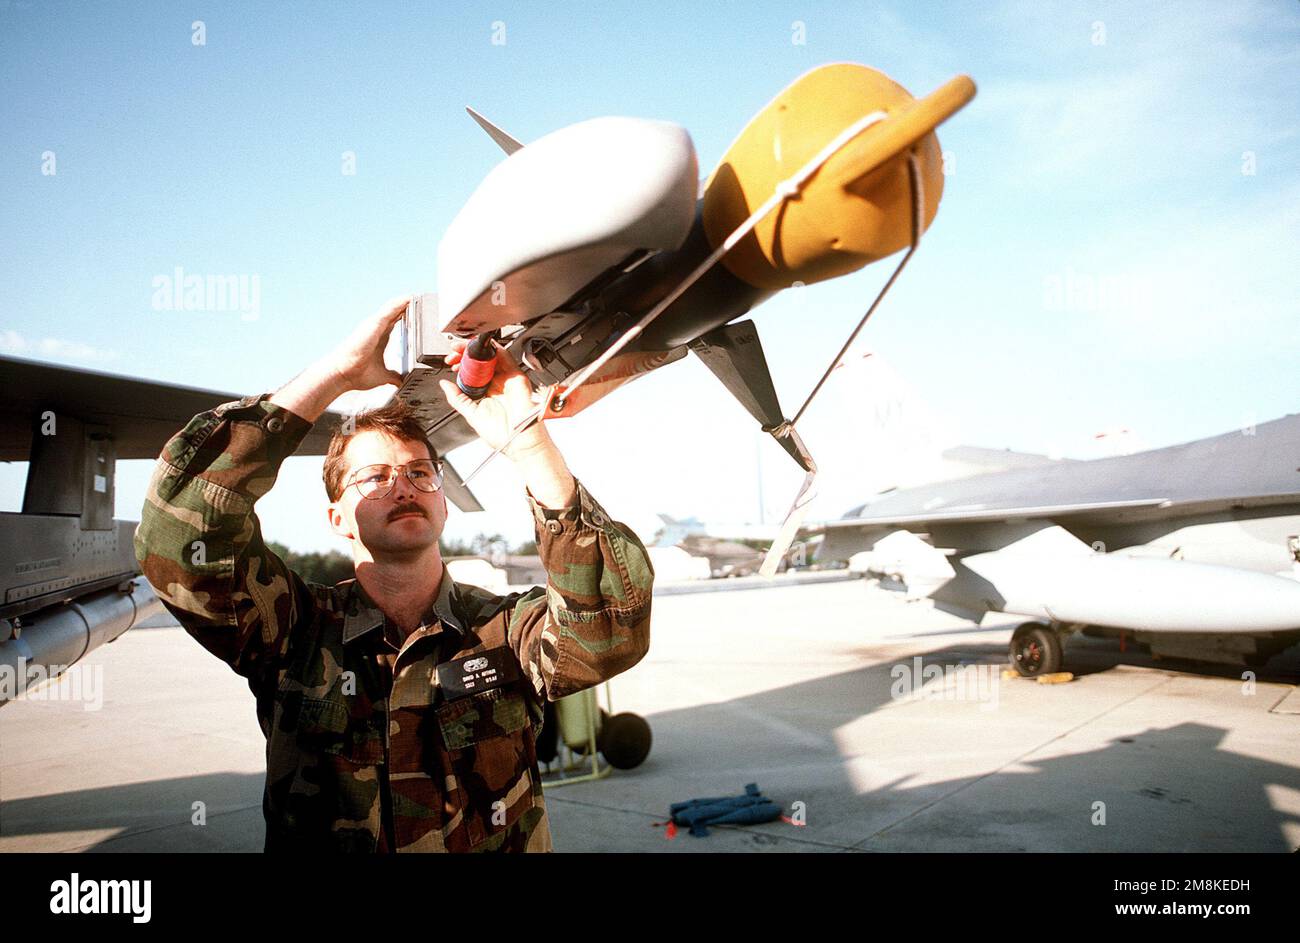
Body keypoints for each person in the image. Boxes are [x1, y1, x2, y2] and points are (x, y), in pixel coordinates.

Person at [133, 296, 654, 852]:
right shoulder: (292, 632)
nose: (402, 486)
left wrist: (530, 443)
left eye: (419, 473)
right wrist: (335, 375)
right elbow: (182, 533)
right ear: (337, 519)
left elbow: (610, 632)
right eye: (374, 477)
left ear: (444, 505)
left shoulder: (505, 633)